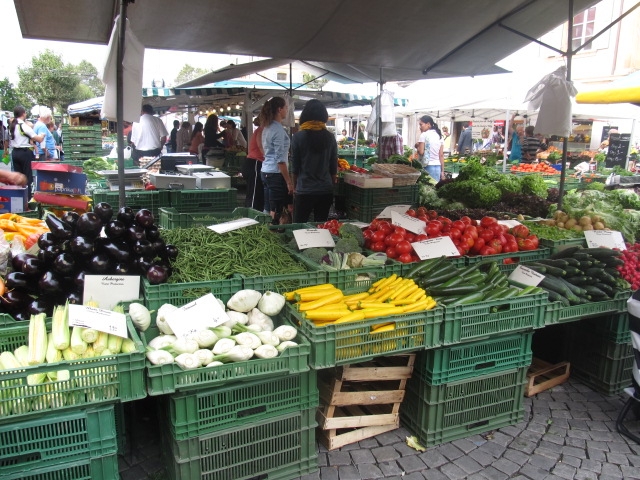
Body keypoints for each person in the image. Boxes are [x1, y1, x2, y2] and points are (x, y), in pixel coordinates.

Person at [291, 99, 338, 223]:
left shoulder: (298, 137)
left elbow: (295, 166)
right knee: (321, 226)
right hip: (325, 190)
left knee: (299, 226)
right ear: (324, 115)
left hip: (304, 189)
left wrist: (294, 187)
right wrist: (332, 184)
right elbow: (333, 166)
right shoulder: (330, 137)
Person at [260, 96, 293, 224]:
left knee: (268, 207)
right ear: (279, 109)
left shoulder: (267, 128)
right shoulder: (278, 130)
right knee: (276, 209)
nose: (287, 110)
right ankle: (273, 234)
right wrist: (289, 182)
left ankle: (267, 232)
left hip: (266, 171)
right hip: (275, 173)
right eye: (286, 107)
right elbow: (280, 159)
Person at [8, 105, 46, 196]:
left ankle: (19, 199)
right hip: (24, 153)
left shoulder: (12, 126)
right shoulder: (23, 125)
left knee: (18, 178)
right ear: (23, 114)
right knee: (27, 178)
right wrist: (42, 135)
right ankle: (27, 201)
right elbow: (38, 139)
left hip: (15, 152)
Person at [242, 117, 266, 212]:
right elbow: (260, 147)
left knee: (257, 193)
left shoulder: (261, 130)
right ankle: (251, 218)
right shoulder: (261, 130)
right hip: (255, 163)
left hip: (254, 163)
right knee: (254, 195)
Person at [416, 115, 444, 182]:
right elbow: (441, 155)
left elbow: (421, 152)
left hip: (427, 166)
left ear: (428, 124)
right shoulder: (439, 136)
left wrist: (417, 146)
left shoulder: (424, 135)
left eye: (421, 124)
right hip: (437, 166)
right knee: (435, 188)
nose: (420, 127)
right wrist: (442, 171)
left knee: (427, 189)